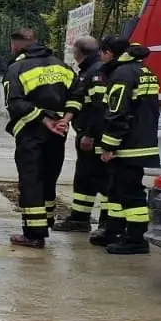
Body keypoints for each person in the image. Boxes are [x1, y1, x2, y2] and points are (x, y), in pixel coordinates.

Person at [3, 27, 74, 248]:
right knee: (49, 177)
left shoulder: (17, 68)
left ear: (15, 45)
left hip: (32, 133)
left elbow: (15, 103)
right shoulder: (62, 65)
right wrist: (65, 119)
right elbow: (78, 95)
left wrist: (44, 119)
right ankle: (47, 220)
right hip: (58, 133)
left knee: (31, 181)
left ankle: (34, 234)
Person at [92, 34, 161, 254]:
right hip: (140, 141)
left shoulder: (122, 74)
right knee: (117, 189)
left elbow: (117, 113)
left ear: (110, 53)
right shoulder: (144, 71)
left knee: (131, 192)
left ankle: (136, 239)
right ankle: (114, 230)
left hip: (128, 145)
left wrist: (109, 146)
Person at [56, 35, 107, 233]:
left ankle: (93, 221)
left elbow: (98, 108)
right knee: (85, 177)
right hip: (88, 133)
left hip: (92, 136)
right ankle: (80, 218)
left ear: (79, 53)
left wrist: (90, 134)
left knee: (95, 177)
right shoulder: (91, 70)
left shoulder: (95, 73)